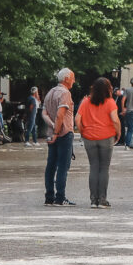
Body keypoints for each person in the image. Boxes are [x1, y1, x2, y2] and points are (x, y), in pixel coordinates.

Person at [78, 77, 121, 208]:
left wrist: (83, 132)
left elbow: (77, 119)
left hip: (89, 137)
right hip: (106, 137)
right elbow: (115, 120)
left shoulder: (85, 102)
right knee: (104, 168)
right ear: (108, 89)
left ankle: (93, 200)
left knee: (93, 167)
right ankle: (102, 199)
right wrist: (118, 133)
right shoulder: (110, 102)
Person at [41, 69, 76, 206]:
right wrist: (57, 131)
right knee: (62, 166)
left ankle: (49, 196)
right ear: (66, 78)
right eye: (72, 78)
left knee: (50, 165)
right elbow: (61, 114)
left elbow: (44, 113)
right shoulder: (65, 93)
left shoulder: (50, 92)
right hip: (64, 133)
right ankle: (60, 197)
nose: (74, 81)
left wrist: (52, 127)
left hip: (52, 133)